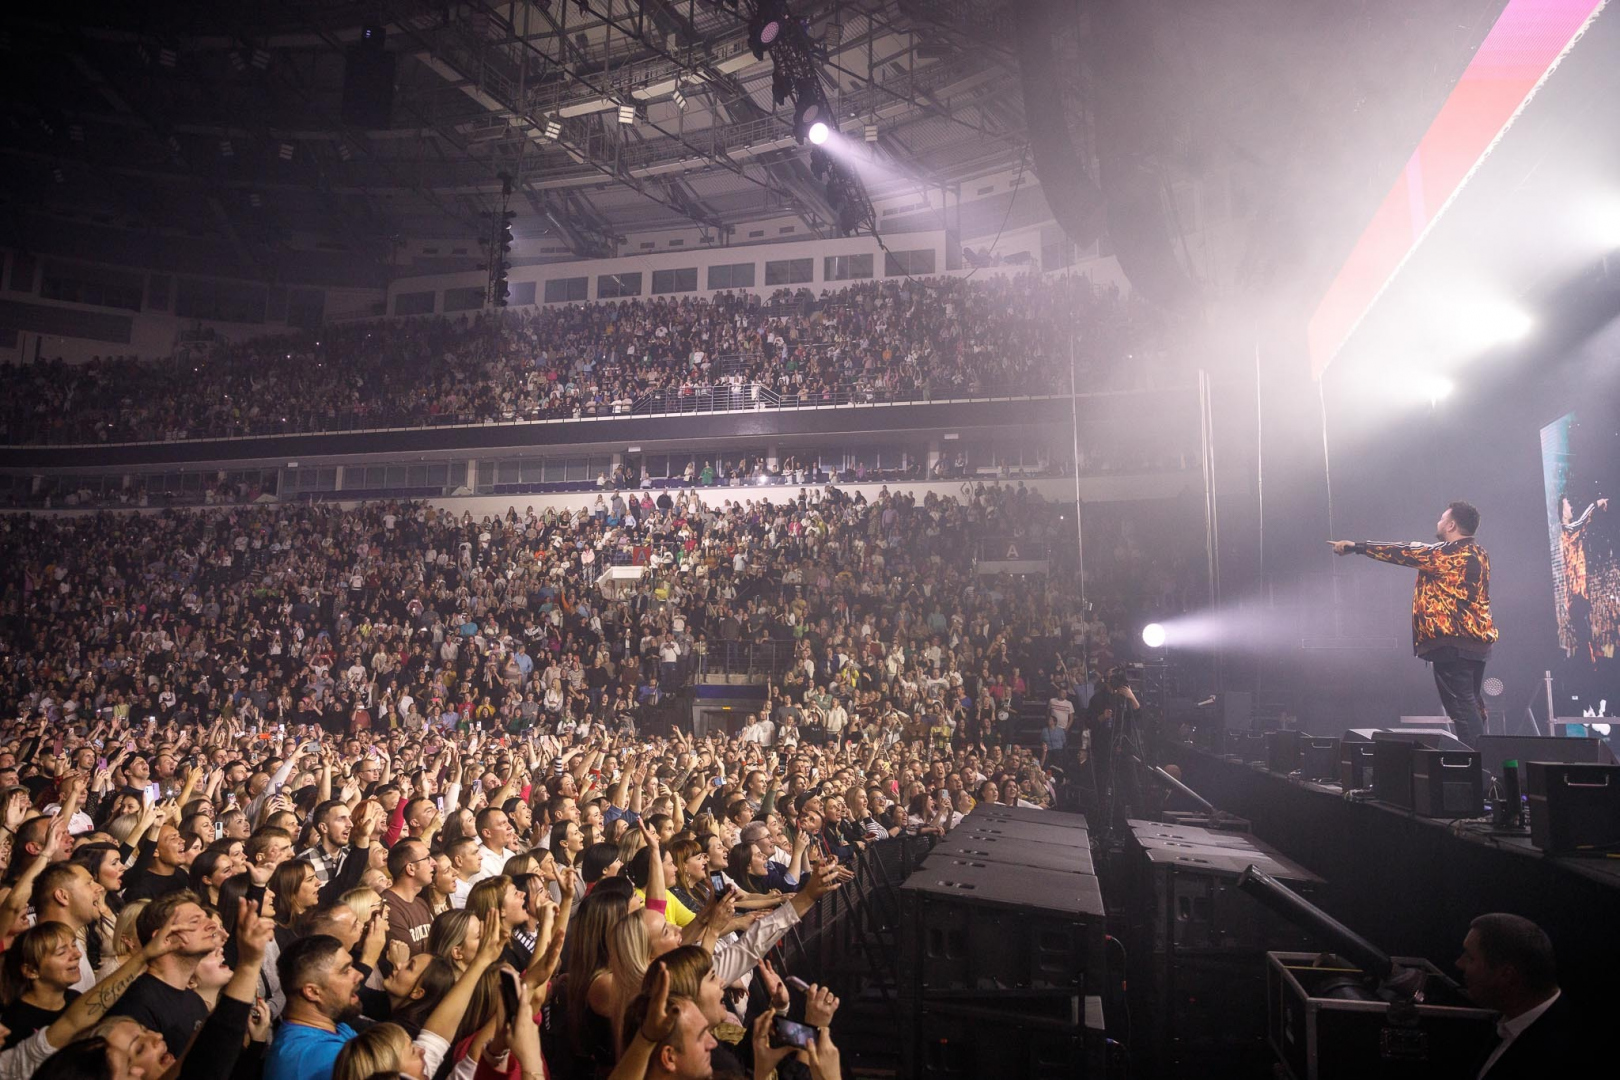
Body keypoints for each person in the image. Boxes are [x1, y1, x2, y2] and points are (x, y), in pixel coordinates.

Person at [1330, 501, 1498, 745]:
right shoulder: (1478, 553)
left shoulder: (1444, 554)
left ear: (1451, 525)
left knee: (1462, 708)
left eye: (1442, 519)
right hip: (1477, 642)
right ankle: (1485, 762)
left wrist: (1357, 547)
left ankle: (1479, 767)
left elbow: (1404, 551)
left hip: (1453, 643)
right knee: (1471, 705)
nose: (1438, 522)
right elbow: (1419, 549)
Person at [1456, 913, 1582, 1079]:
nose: (1458, 964)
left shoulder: (1562, 1051)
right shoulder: (1508, 1020)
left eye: (1470, 958)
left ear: (1507, 974)